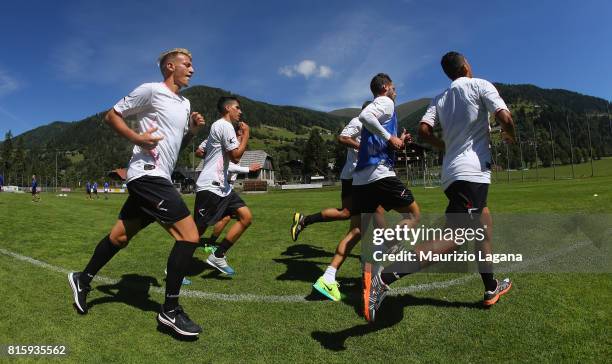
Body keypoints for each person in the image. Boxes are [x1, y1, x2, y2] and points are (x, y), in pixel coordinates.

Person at [364, 52, 516, 322]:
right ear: (466, 66)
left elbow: (423, 129)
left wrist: (443, 147)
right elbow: (505, 117)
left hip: (453, 174)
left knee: (484, 224)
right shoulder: (481, 85)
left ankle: (491, 287)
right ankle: (385, 277)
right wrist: (509, 134)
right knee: (455, 239)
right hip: (471, 174)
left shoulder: (441, 98)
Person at [68, 48, 206, 337]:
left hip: (159, 176)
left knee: (119, 237)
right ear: (170, 66)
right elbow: (112, 116)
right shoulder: (151, 91)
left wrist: (192, 131)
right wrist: (136, 137)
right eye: (187, 64)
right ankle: (169, 310)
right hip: (147, 175)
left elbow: (174, 143)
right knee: (190, 236)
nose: (192, 69)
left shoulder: (184, 102)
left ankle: (82, 278)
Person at [290, 101, 371, 243]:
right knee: (374, 212)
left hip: (353, 175)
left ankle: (305, 220)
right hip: (355, 175)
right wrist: (362, 147)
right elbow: (342, 137)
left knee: (346, 213)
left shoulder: (372, 126)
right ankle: (384, 249)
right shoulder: (358, 121)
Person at [193, 96, 252, 276]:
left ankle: (218, 255)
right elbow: (236, 156)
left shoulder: (223, 128)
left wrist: (238, 138)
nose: (240, 111)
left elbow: (205, 151)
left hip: (223, 187)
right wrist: (246, 135)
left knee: (246, 217)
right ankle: (174, 266)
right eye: (237, 108)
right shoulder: (223, 125)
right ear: (228, 108)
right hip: (210, 186)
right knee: (196, 231)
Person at [195, 130, 261, 250]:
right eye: (241, 135)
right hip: (213, 186)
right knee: (202, 224)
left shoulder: (234, 146)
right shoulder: (224, 140)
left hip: (227, 188)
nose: (241, 140)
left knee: (235, 217)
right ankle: (185, 248)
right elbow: (228, 165)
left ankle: (214, 248)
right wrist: (248, 169)